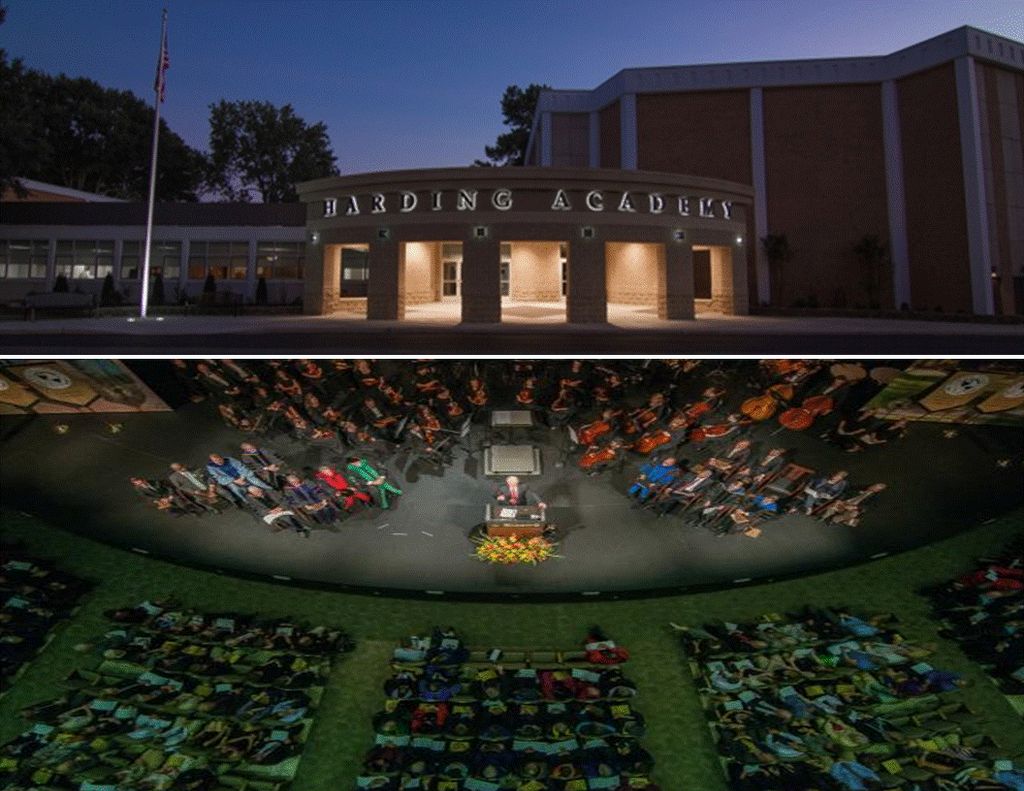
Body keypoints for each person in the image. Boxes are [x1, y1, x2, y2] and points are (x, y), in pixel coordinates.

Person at [206, 454, 271, 503]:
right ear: (213, 462)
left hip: (241, 475)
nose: (218, 461)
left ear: (221, 457)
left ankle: (268, 489)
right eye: (215, 461)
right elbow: (218, 477)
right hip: (231, 481)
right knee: (235, 488)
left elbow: (241, 466)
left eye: (219, 459)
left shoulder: (230, 459)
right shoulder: (212, 468)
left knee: (253, 479)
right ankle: (247, 501)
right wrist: (234, 480)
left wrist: (242, 476)